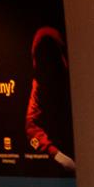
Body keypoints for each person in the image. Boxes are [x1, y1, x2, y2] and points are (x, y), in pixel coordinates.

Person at [25, 26, 76, 172]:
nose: (48, 68)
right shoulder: (40, 82)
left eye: (51, 59)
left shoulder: (74, 75)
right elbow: (31, 125)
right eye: (43, 61)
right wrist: (58, 156)